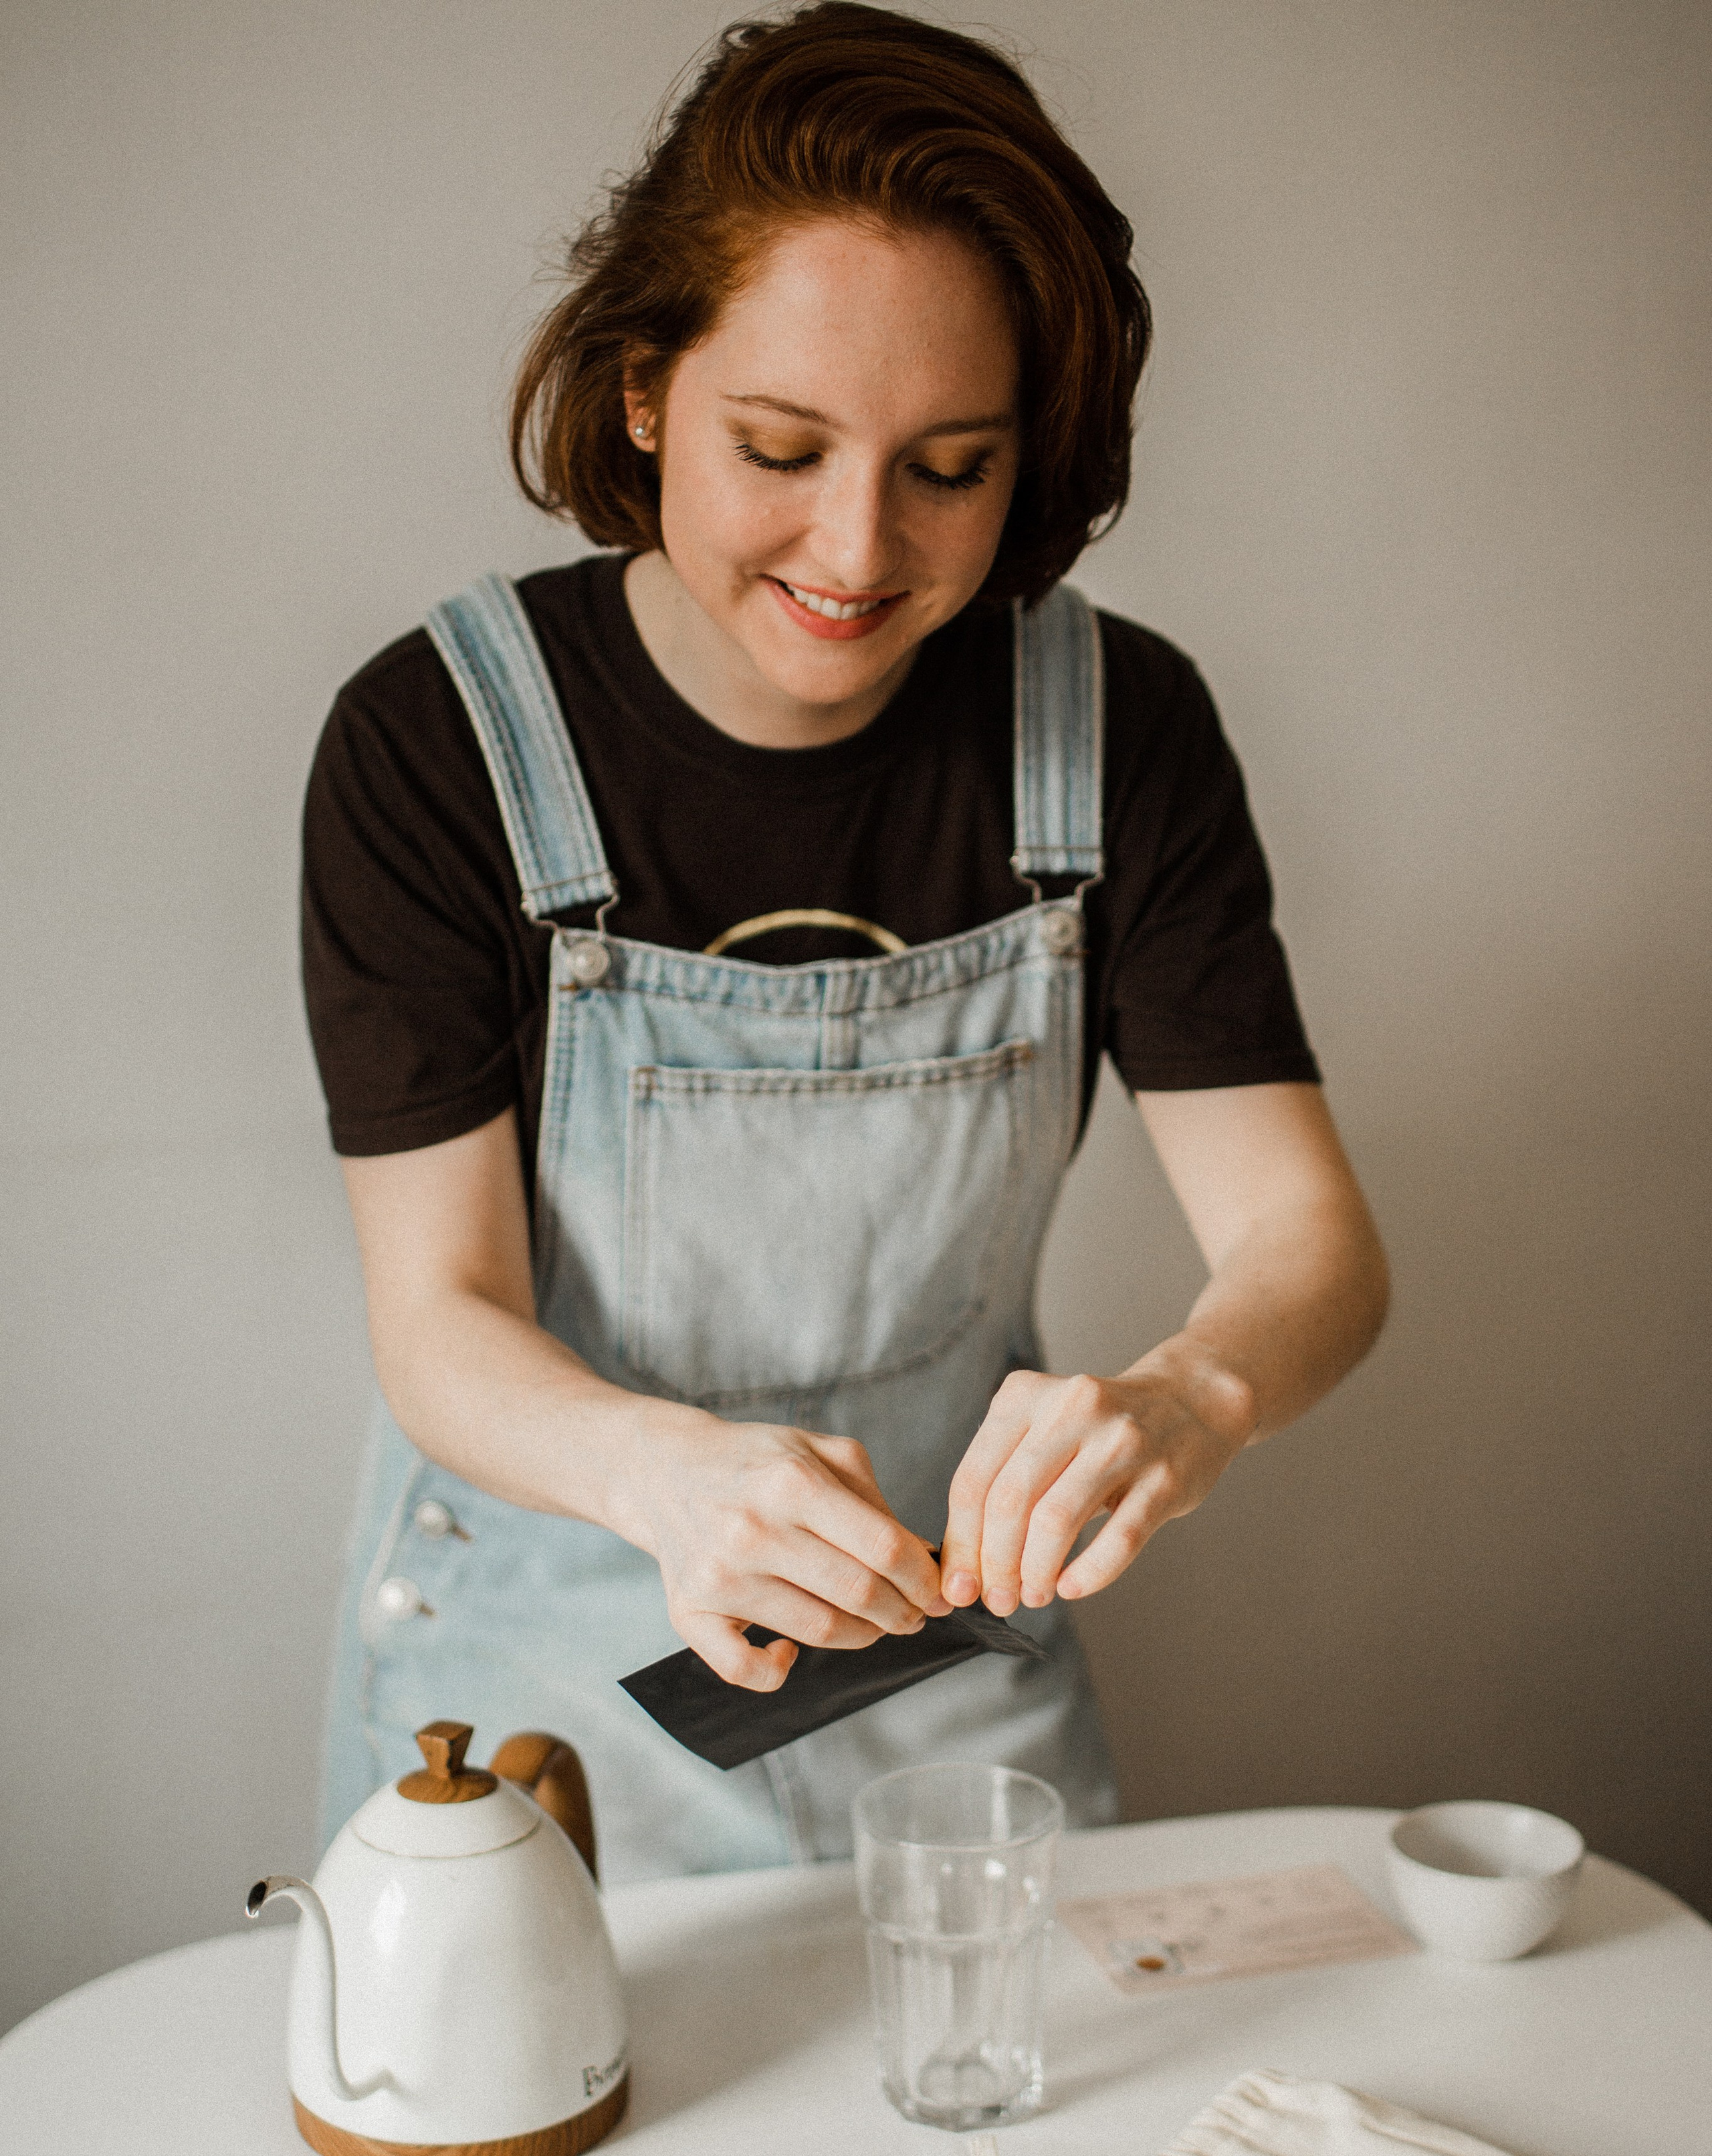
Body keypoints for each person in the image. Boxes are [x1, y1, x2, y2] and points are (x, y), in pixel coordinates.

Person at [302, 2, 1388, 1879]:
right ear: (645, 391)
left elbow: (1313, 1246)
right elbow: (440, 1318)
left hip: (939, 1663)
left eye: (950, 466)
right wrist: (669, 1476)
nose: (858, 551)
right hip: (538, 1676)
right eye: (781, 447)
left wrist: (1189, 1396)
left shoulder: (1115, 731)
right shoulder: (437, 742)